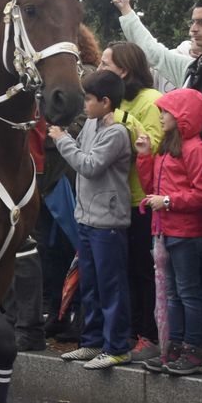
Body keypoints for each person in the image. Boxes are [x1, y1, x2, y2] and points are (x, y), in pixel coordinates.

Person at [51, 70, 135, 369]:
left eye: (88, 99)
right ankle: (92, 341)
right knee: (90, 285)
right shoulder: (90, 123)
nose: (85, 105)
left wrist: (62, 141)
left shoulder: (116, 133)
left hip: (108, 221)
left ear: (106, 101)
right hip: (86, 218)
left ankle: (117, 346)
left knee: (110, 286)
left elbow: (88, 165)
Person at [135, 88, 202, 375]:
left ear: (181, 115)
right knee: (172, 293)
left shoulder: (194, 149)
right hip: (166, 230)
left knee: (188, 292)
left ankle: (192, 350)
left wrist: (168, 201)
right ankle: (175, 346)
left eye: (166, 111)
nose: (161, 116)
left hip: (186, 233)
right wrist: (144, 157)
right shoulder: (169, 146)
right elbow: (151, 188)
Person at [99, 42, 164, 362]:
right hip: (115, 199)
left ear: (123, 70)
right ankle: (127, 331)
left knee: (144, 271)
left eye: (105, 64)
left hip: (143, 201)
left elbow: (153, 146)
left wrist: (123, 117)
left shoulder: (151, 100)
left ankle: (149, 335)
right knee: (123, 272)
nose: (99, 69)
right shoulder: (110, 101)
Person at [111, 0, 202, 122]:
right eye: (193, 22)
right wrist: (126, 9)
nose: (193, 29)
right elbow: (155, 53)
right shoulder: (193, 67)